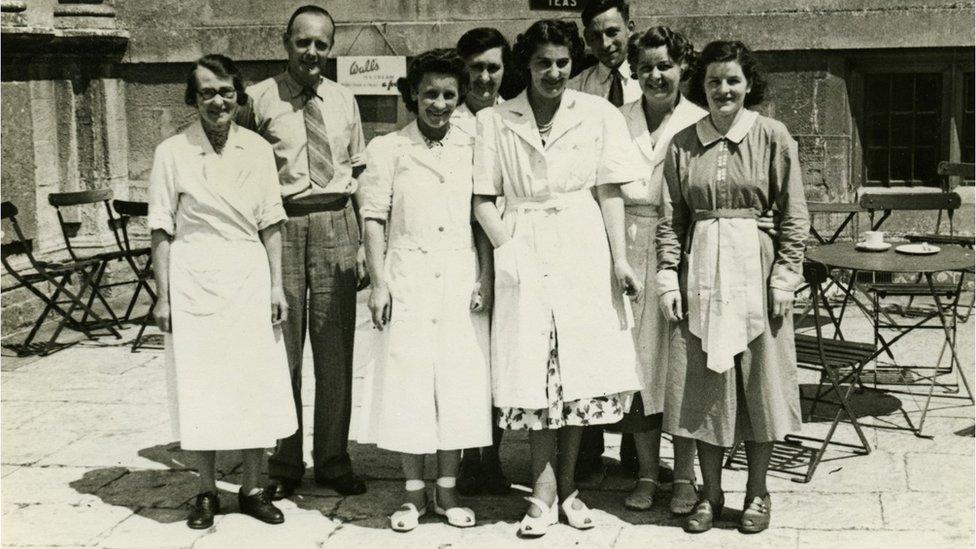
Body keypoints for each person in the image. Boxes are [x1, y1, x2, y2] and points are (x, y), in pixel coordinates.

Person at [472, 19, 644, 538]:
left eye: (563, 63)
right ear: (526, 64)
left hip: (582, 245)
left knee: (576, 375)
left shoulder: (597, 114)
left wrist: (619, 260)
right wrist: (509, 248)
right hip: (522, 242)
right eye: (544, 63)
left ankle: (567, 489)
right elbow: (482, 198)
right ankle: (542, 494)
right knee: (535, 374)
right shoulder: (495, 120)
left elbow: (610, 191)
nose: (554, 72)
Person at [656, 40, 809, 534]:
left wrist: (785, 277)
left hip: (757, 273)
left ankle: (757, 492)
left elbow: (794, 214)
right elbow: (671, 218)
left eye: (733, 81)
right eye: (714, 81)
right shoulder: (683, 142)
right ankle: (710, 493)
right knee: (704, 388)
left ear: (748, 85)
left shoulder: (772, 136)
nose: (724, 90)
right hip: (700, 272)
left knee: (760, 386)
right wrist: (667, 276)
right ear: (701, 86)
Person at [148, 54, 296, 529]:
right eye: (207, 92)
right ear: (194, 98)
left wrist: (276, 285)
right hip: (194, 278)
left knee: (254, 381)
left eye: (226, 92)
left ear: (238, 95)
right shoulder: (171, 152)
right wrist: (164, 295)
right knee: (201, 385)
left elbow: (271, 221)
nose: (218, 101)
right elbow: (161, 228)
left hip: (248, 274)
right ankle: (206, 490)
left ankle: (253, 487)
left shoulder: (256, 148)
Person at [236, 4, 368, 498]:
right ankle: (284, 462)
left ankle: (333, 460)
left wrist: (359, 244)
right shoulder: (258, 98)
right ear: (285, 42)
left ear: (330, 47)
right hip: (282, 226)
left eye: (321, 44)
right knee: (283, 350)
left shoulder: (343, 99)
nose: (311, 52)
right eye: (302, 42)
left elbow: (358, 171)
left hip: (336, 222)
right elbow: (243, 168)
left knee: (334, 352)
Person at [359, 48, 493, 533]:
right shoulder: (388, 148)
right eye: (430, 94)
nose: (439, 104)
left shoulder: (473, 146)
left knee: (456, 385)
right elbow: (373, 219)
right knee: (408, 382)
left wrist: (484, 275)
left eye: (449, 96)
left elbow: (480, 215)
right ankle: (413, 493)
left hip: (459, 276)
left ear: (460, 100)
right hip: (407, 278)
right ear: (413, 95)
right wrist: (379, 283)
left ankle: (448, 488)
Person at [611, 26, 706, 514]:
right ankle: (648, 474)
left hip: (681, 249)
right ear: (634, 70)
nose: (655, 75)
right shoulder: (615, 119)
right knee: (636, 366)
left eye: (664, 65)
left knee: (680, 366)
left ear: (682, 67)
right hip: (623, 247)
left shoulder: (700, 121)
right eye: (645, 66)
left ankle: (685, 477)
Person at [568, 0, 641, 479]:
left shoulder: (656, 77)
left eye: (613, 33)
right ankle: (588, 449)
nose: (605, 45)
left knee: (643, 341)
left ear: (630, 28)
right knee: (589, 337)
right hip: (589, 228)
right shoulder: (576, 88)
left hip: (644, 222)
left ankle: (640, 451)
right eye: (595, 37)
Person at [452, 26, 513, 498]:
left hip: (508, 244)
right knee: (468, 358)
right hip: (461, 250)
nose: (485, 78)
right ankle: (473, 457)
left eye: (493, 67)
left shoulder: (514, 118)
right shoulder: (447, 120)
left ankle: (494, 453)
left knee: (503, 356)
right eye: (476, 68)